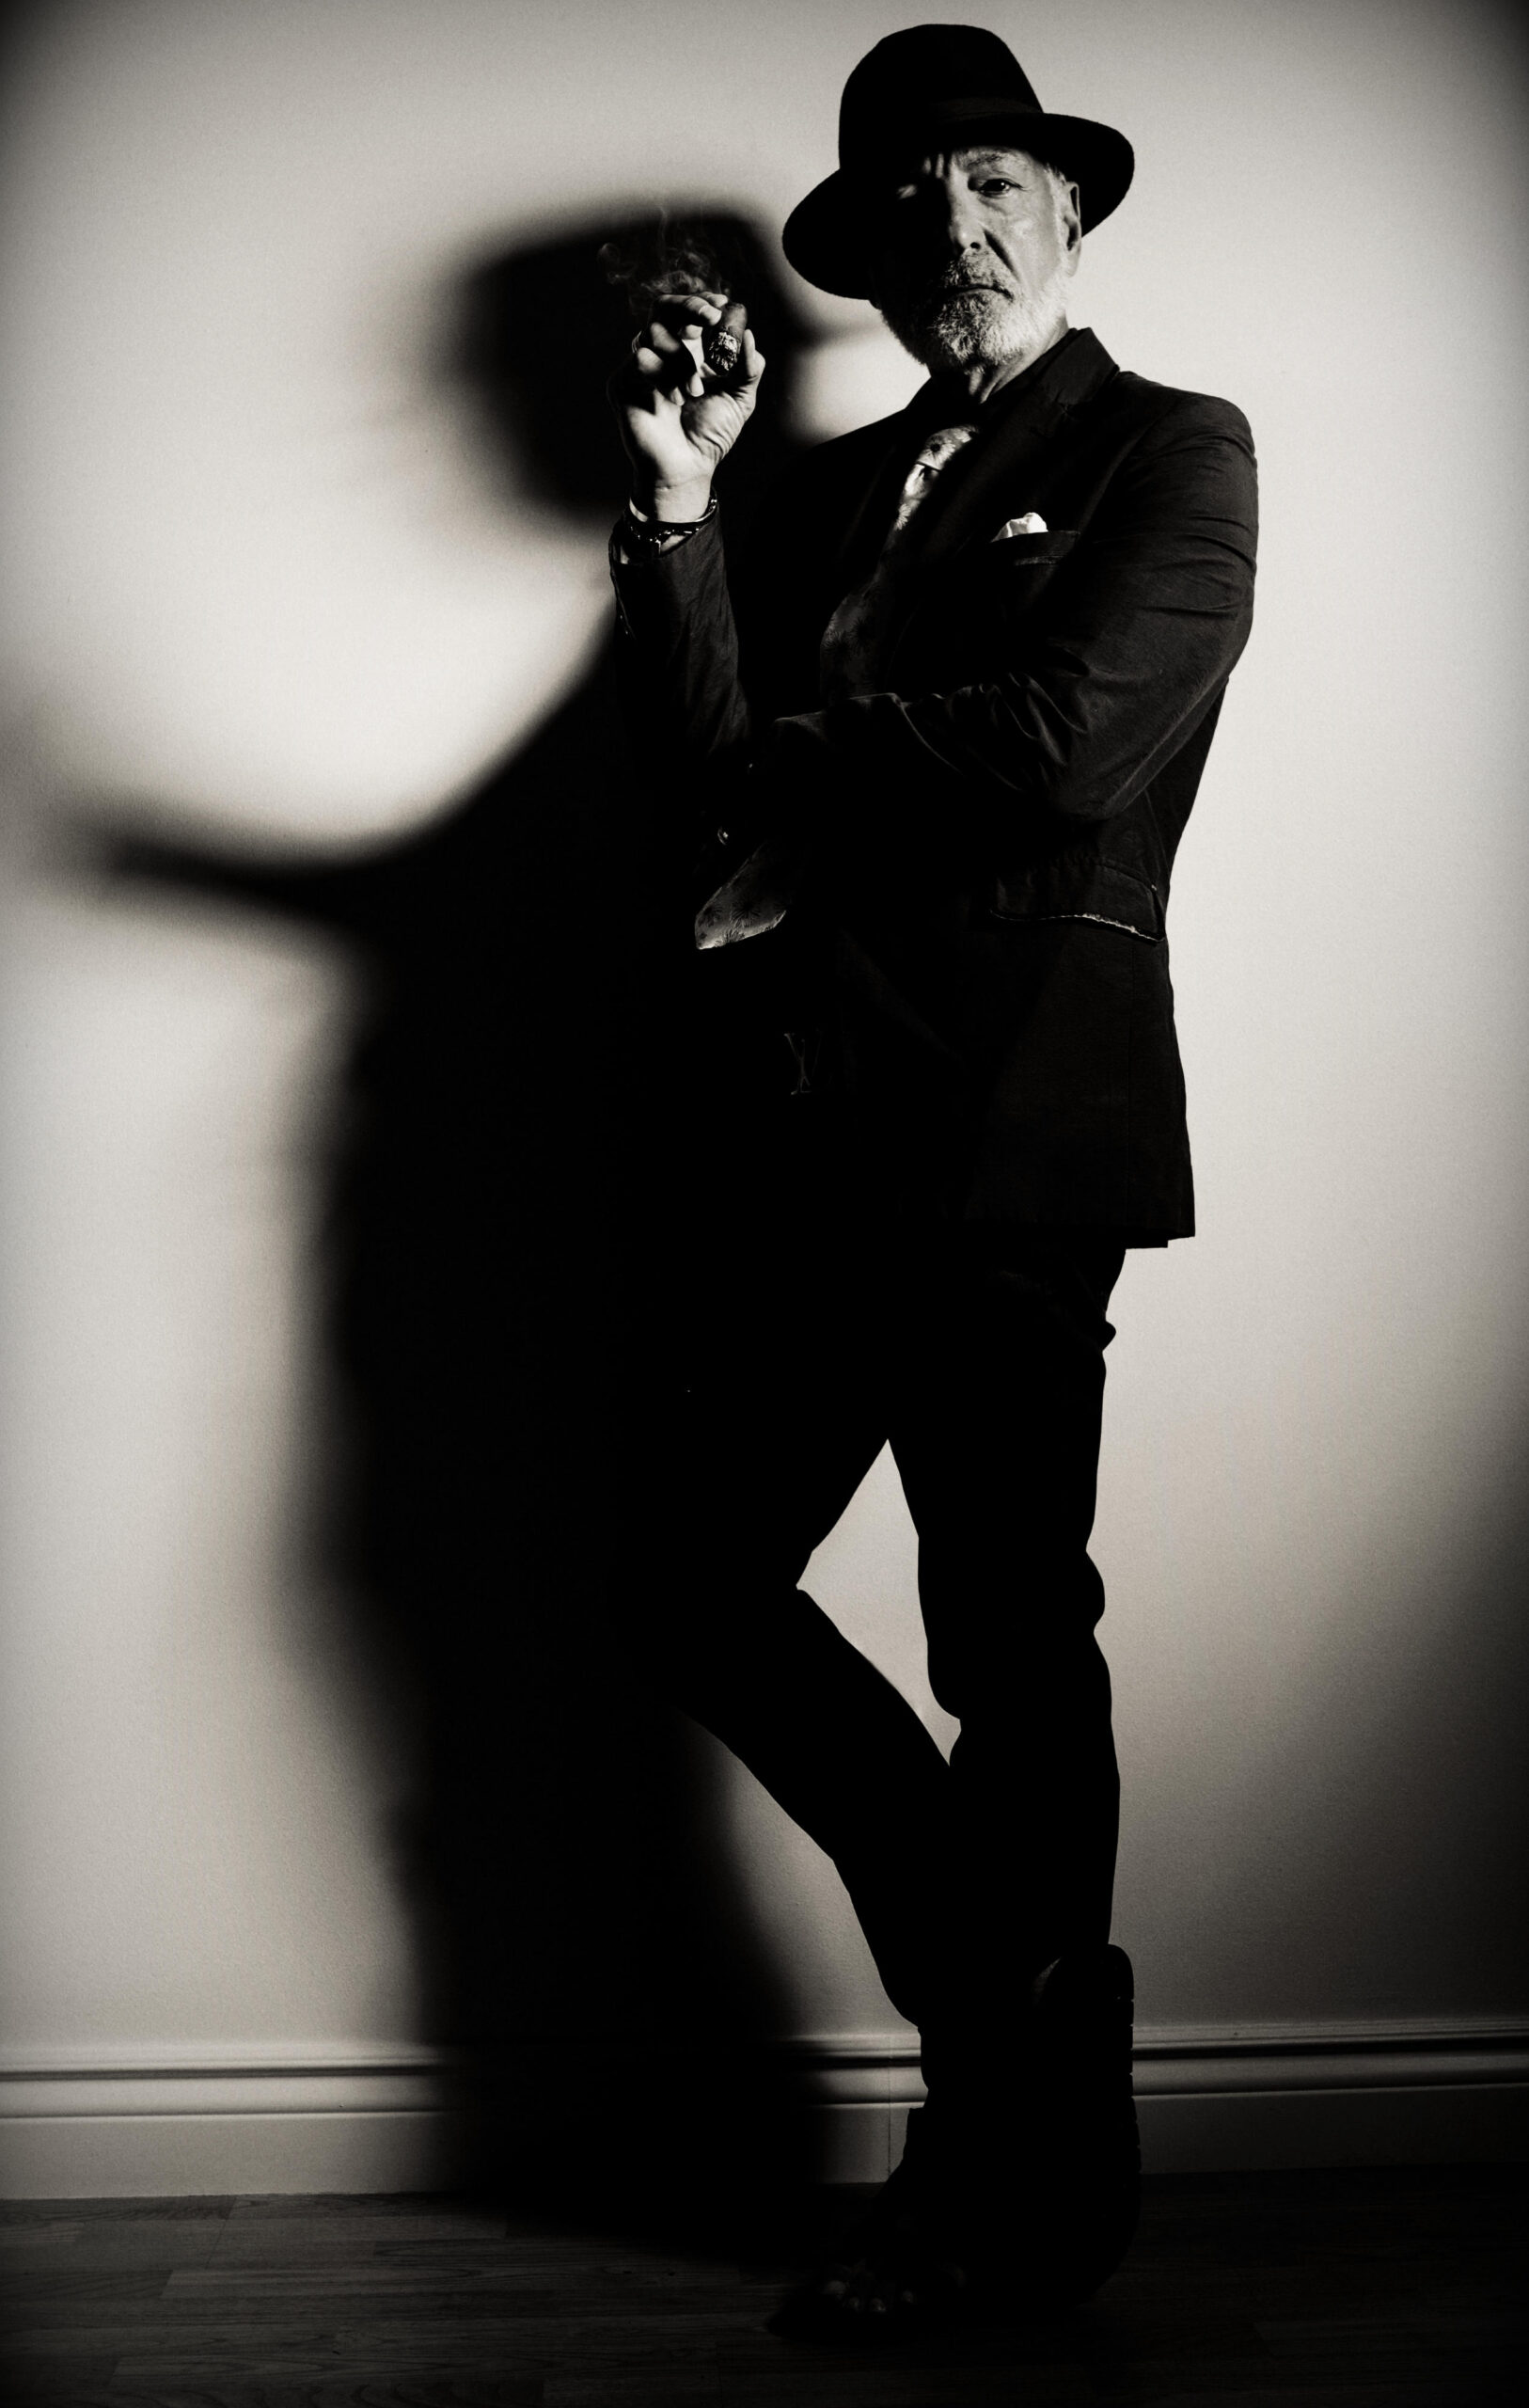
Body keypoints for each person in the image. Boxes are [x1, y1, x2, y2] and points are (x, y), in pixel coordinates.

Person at [605, 22, 1257, 2329]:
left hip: (1013, 1128)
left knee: (1006, 1634)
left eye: (994, 187)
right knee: (681, 1582)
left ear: (1064, 214)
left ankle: (1001, 2180)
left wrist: (797, 774)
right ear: (871, 264)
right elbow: (696, 775)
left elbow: (1067, 743)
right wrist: (681, 508)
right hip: (799, 1134)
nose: (956, 234)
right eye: (913, 208)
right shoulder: (821, 486)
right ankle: (1019, 2001)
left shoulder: (1176, 448)